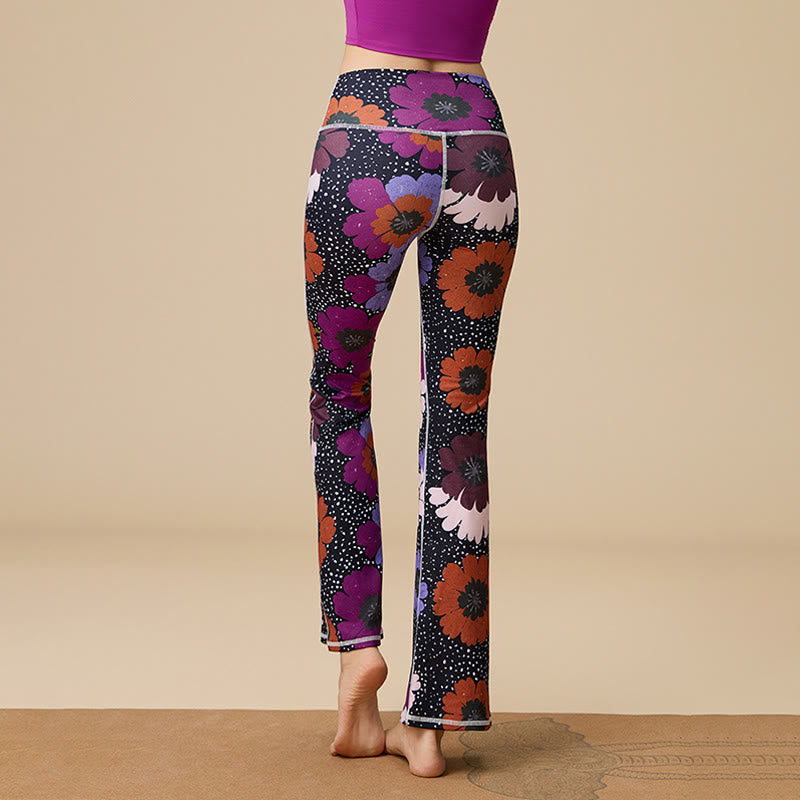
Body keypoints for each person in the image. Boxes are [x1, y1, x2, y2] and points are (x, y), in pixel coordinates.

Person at [302, 0, 517, 778]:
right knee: (459, 420)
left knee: (339, 394)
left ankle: (356, 651)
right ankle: (431, 721)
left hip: (366, 130)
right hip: (479, 139)